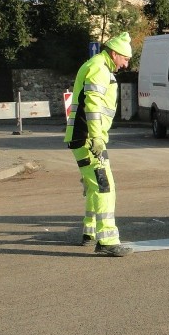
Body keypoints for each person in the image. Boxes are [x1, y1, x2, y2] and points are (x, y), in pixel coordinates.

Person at [64, 32, 133, 256]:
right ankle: (107, 241)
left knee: (94, 184)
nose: (126, 64)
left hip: (82, 136)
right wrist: (96, 138)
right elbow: (92, 107)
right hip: (88, 137)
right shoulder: (99, 68)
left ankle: (90, 232)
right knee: (105, 186)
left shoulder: (97, 66)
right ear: (114, 53)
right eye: (125, 58)